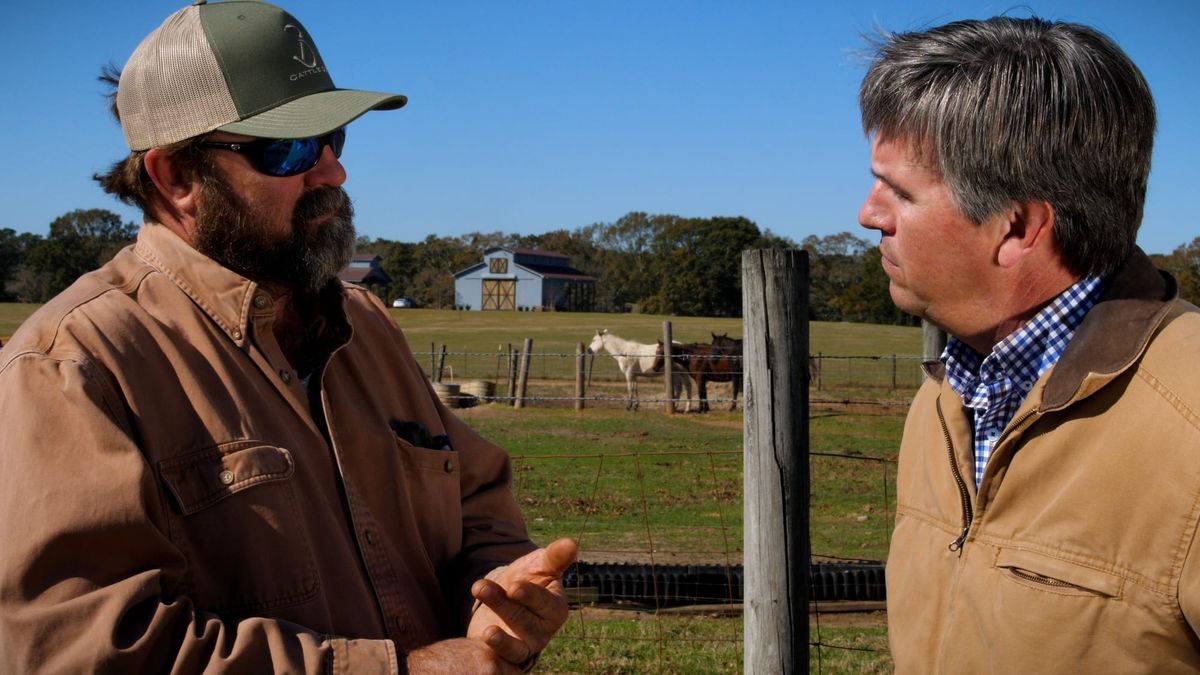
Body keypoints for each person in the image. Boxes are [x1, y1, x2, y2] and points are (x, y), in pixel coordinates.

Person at [0, 1, 575, 672]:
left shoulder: (366, 327)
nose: (332, 172)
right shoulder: (73, 366)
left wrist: (496, 585)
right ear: (178, 177)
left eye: (335, 138)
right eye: (290, 148)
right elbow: (84, 649)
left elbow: (477, 499)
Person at [858, 16, 1200, 673]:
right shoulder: (945, 402)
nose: (869, 213)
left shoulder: (1187, 425)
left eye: (899, 191)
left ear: (1017, 227)